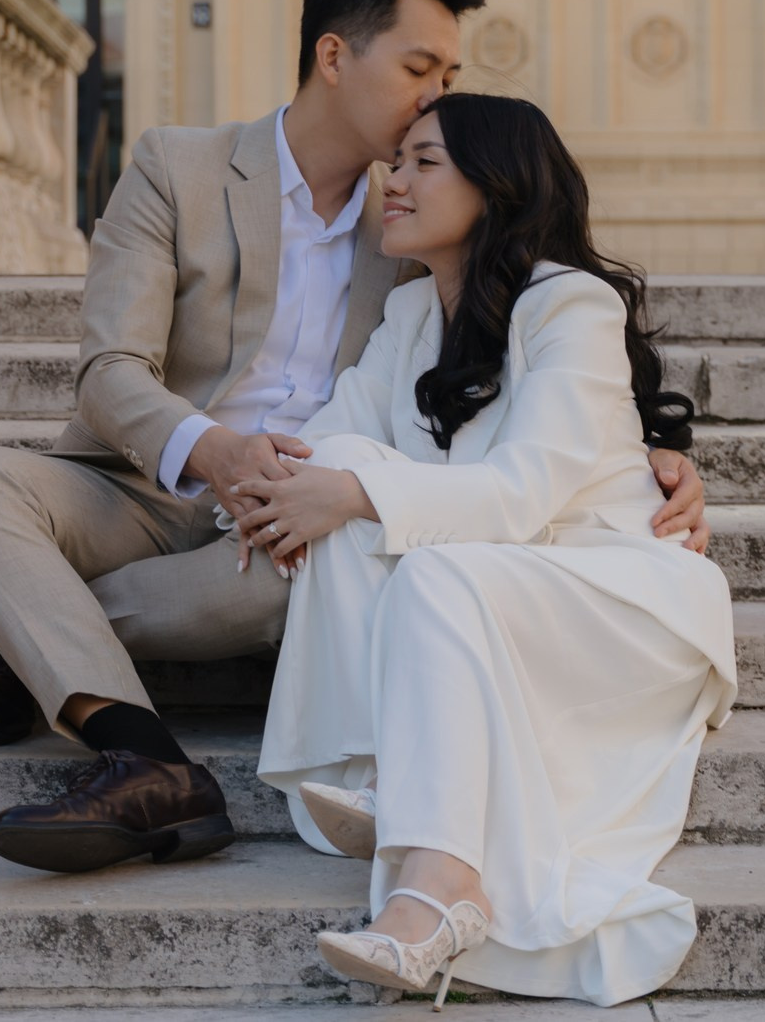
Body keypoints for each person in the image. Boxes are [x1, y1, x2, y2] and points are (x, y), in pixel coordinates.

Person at [0, 0, 711, 874]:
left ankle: (29, 639)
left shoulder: (417, 225)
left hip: (292, 520)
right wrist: (215, 451)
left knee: (321, 567)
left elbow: (522, 341)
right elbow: (110, 372)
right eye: (419, 67)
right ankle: (145, 756)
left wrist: (644, 457)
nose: (435, 95)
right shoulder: (179, 167)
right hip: (145, 481)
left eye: (450, 75)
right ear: (334, 56)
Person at [228, 92, 735, 1008]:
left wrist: (350, 493)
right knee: (346, 467)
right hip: (486, 588)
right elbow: (328, 443)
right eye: (399, 160)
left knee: (405, 540)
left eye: (426, 162)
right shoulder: (412, 314)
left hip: (608, 594)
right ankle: (378, 767)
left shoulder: (569, 303)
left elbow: (524, 491)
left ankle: (441, 888)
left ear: (496, 185)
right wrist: (276, 491)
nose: (395, 179)